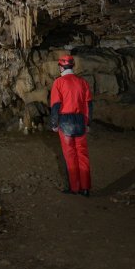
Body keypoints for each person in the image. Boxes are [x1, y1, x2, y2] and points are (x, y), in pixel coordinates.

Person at [49, 54, 93, 196]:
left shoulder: (58, 82)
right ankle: (85, 188)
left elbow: (56, 105)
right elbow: (88, 105)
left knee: (70, 156)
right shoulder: (83, 82)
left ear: (61, 67)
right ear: (72, 66)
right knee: (82, 155)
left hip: (65, 122)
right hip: (80, 121)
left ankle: (75, 188)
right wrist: (87, 123)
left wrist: (54, 124)